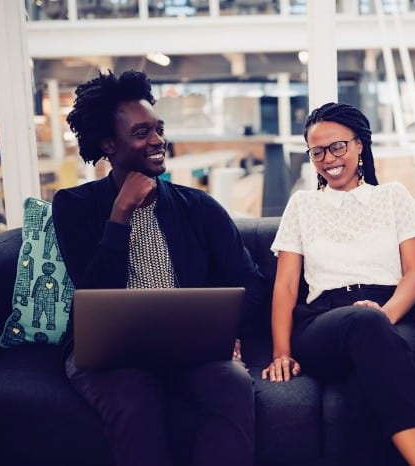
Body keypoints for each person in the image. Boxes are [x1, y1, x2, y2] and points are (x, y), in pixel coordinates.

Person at [52, 70, 267, 466]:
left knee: (234, 386)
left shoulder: (198, 207)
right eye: (141, 133)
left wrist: (226, 331)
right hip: (109, 354)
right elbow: (95, 292)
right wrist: (120, 216)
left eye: (158, 129)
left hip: (192, 347)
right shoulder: (74, 206)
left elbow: (250, 281)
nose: (156, 141)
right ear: (108, 144)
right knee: (134, 400)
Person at [261, 102, 415, 466]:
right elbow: (285, 287)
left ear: (359, 145)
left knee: (367, 385)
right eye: (317, 151)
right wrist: (282, 352)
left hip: (399, 319)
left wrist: (384, 315)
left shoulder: (393, 197)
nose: (328, 158)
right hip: (324, 324)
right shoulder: (301, 205)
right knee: (366, 329)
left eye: (338, 146)